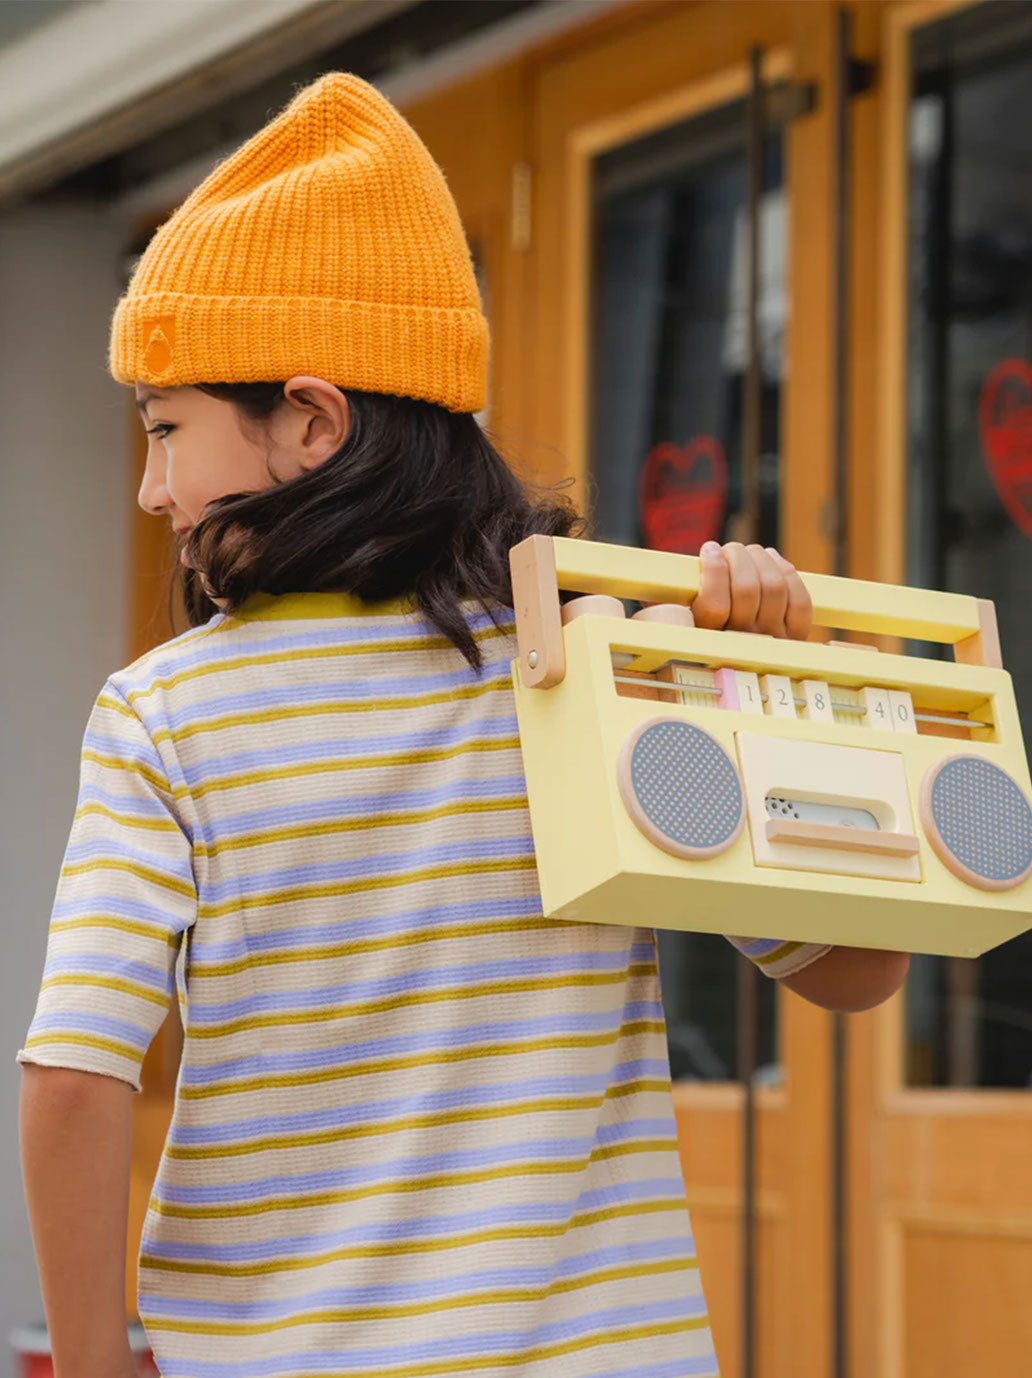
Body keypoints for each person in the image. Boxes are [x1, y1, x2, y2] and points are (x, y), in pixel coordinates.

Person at [17, 73, 909, 1378]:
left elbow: (73, 1073)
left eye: (167, 429)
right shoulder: (593, 658)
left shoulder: (170, 713)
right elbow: (856, 973)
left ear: (311, 419)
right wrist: (770, 698)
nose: (153, 488)